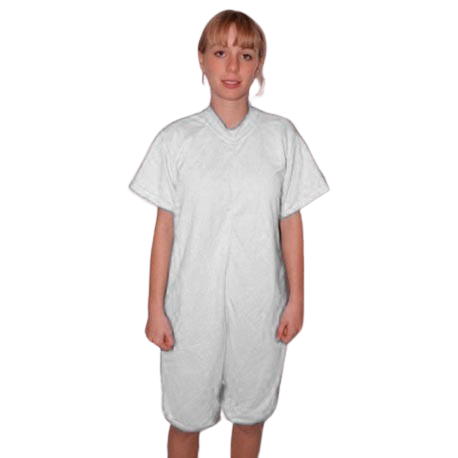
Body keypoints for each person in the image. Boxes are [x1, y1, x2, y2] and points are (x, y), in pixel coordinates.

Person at [129, 9, 330, 458]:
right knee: (185, 419)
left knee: (251, 415)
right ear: (201, 59)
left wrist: (297, 299)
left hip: (260, 304)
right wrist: (155, 308)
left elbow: (290, 222)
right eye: (221, 52)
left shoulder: (280, 137)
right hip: (189, 309)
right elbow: (164, 230)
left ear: (259, 65)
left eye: (246, 54)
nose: (233, 65)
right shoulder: (176, 141)